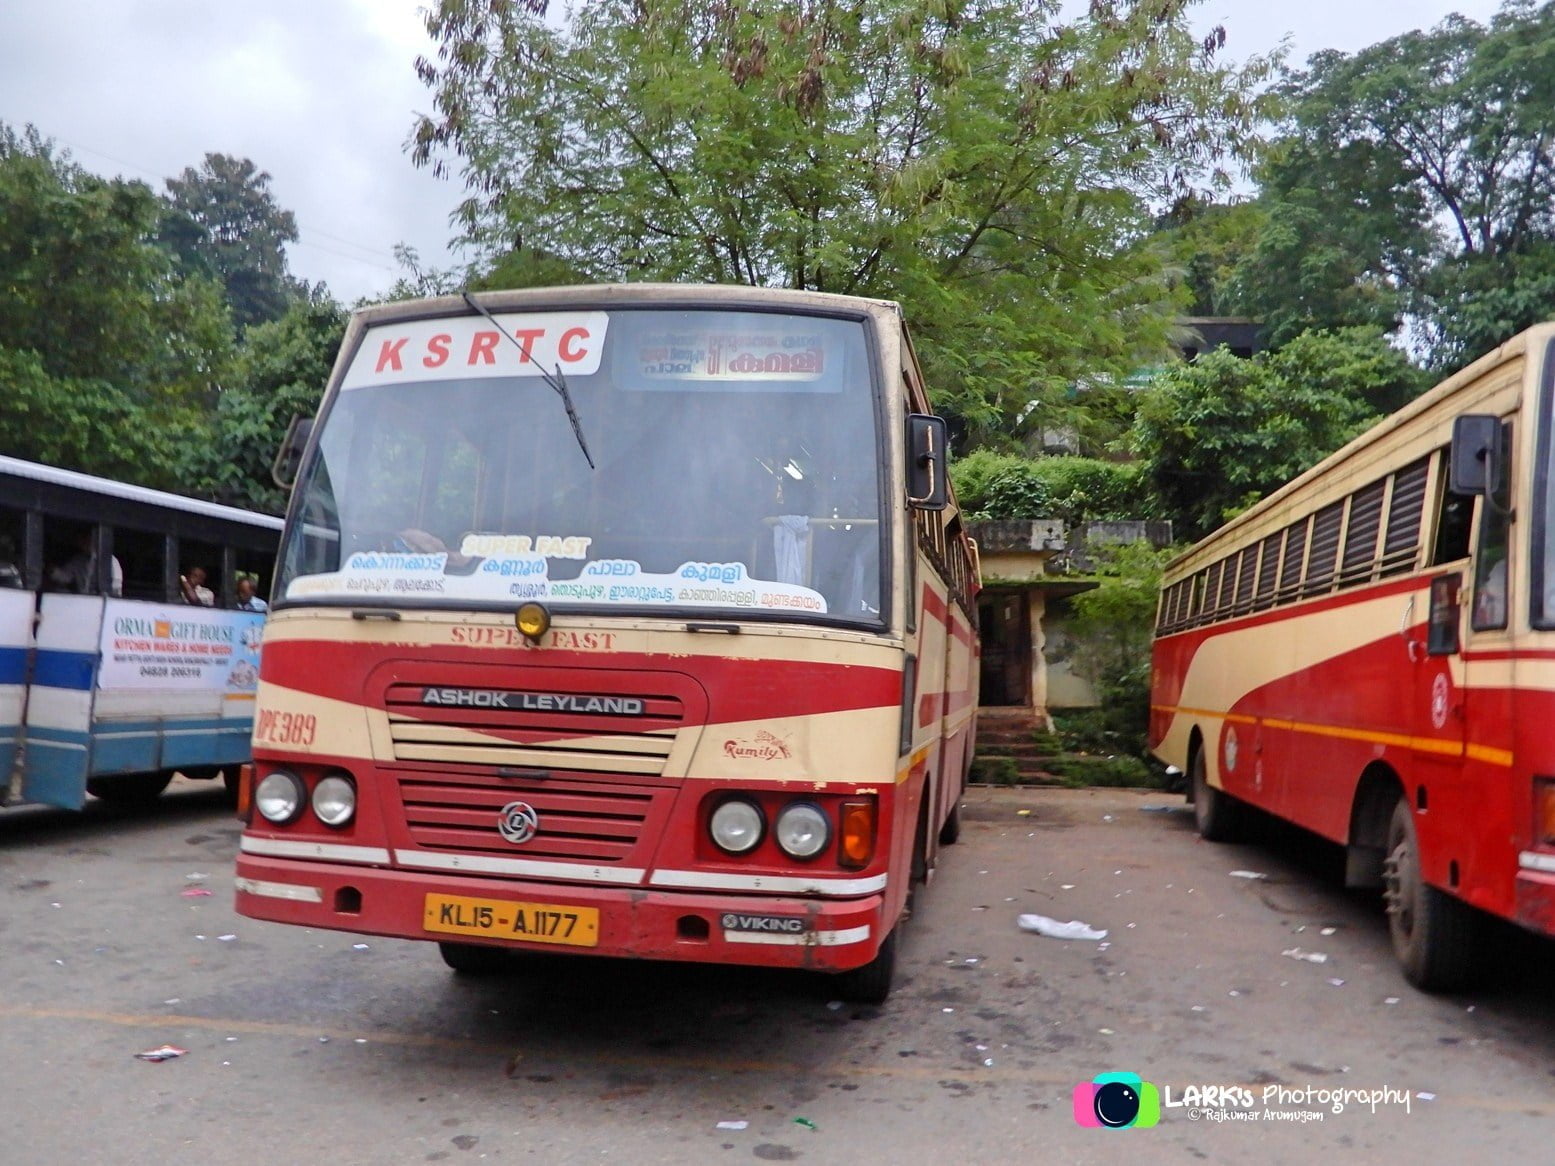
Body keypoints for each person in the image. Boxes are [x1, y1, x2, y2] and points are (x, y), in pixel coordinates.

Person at [50, 530, 122, 596]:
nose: (83, 543)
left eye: (86, 540)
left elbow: (116, 588)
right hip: (82, 599)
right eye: (81, 541)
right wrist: (52, 570)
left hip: (102, 601)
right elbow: (65, 576)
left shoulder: (110, 560)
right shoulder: (78, 560)